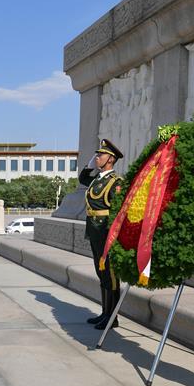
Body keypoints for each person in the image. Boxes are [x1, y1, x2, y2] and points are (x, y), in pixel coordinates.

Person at [79, 139, 125, 330]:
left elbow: (118, 212)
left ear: (111, 159)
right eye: (97, 155)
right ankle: (105, 313)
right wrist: (89, 165)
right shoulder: (97, 179)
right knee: (102, 273)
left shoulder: (116, 182)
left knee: (111, 275)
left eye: (100, 155)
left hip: (107, 233)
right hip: (95, 231)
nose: (97, 157)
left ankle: (112, 317)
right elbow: (83, 179)